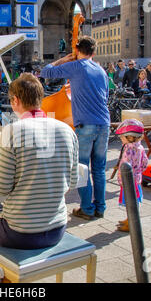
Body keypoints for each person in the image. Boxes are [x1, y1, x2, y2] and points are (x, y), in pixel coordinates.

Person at [0, 73, 79, 282]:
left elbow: (2, 190)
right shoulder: (67, 130)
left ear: (15, 101)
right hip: (57, 228)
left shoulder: (13, 131)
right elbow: (72, 183)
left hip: (19, 234)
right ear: (40, 98)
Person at [41, 35, 110, 220]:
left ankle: (87, 209)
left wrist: (64, 59)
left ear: (78, 50)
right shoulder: (101, 71)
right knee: (99, 169)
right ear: (94, 52)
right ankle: (100, 207)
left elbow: (45, 72)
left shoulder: (76, 66)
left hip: (85, 124)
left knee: (82, 168)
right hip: (104, 123)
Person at [114, 119, 148, 232]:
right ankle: (129, 219)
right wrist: (138, 172)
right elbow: (145, 163)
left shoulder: (129, 150)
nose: (121, 139)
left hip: (129, 182)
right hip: (136, 180)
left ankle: (131, 224)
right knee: (133, 202)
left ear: (130, 137)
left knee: (131, 202)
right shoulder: (140, 148)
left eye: (122, 137)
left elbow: (125, 165)